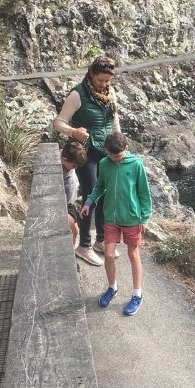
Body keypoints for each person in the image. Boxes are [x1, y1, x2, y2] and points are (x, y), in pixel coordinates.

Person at [53, 55, 121, 266]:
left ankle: (101, 240)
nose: (103, 85)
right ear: (91, 74)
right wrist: (73, 131)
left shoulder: (110, 92)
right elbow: (58, 122)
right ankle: (84, 245)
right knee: (91, 196)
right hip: (87, 152)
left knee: (106, 195)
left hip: (106, 151)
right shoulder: (77, 94)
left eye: (107, 81)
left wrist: (120, 145)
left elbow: (114, 120)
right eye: (100, 80)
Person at [81, 132, 152, 316]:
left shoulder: (136, 165)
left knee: (133, 254)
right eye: (111, 155)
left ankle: (137, 295)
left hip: (131, 218)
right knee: (109, 255)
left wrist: (145, 218)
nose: (115, 159)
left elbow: (144, 193)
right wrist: (89, 201)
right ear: (106, 152)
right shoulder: (105, 163)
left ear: (126, 149)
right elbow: (99, 186)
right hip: (110, 218)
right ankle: (112, 288)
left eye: (118, 156)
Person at [60, 140, 87, 248]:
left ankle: (72, 246)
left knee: (75, 231)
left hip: (70, 203)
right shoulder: (60, 167)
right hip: (63, 204)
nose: (74, 168)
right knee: (68, 226)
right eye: (73, 166)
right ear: (64, 159)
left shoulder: (66, 158)